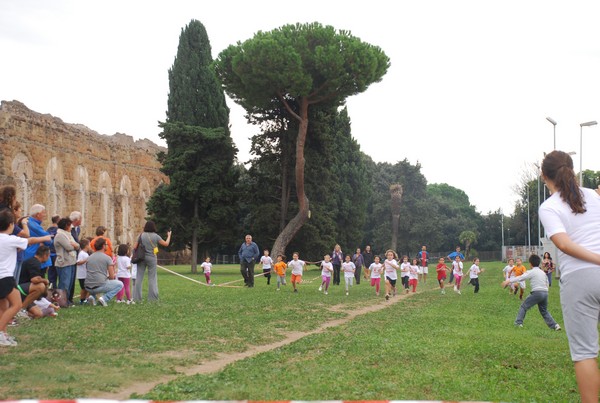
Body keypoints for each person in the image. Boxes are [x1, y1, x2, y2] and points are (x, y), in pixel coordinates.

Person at [538, 150, 600, 402]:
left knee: (585, 353)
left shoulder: (549, 207)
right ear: (572, 170)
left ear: (544, 176)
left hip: (580, 280)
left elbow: (563, 245)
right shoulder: (594, 197)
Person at [0, 209, 51, 346]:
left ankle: (3, 335)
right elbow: (30, 240)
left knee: (4, 307)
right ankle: (0, 333)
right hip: (5, 277)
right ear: (10, 225)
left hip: (2, 276)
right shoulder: (10, 239)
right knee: (16, 305)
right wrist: (45, 238)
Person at [501, 254, 561, 331]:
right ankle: (555, 325)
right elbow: (547, 282)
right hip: (545, 293)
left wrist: (508, 281)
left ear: (530, 264)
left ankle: (518, 323)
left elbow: (521, 277)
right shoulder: (542, 272)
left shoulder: (531, 272)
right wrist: (546, 291)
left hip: (537, 293)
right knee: (544, 311)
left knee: (524, 306)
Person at [133, 221, 171, 302]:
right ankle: (152, 298)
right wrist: (169, 236)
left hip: (141, 258)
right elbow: (166, 244)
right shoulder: (156, 236)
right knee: (152, 278)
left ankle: (137, 298)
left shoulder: (140, 235)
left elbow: (135, 247)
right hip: (152, 258)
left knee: (139, 277)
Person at [85, 238, 123, 306]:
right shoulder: (107, 258)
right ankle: (104, 298)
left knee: (98, 281)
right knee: (120, 284)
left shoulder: (89, 257)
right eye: (106, 244)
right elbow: (112, 276)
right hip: (99, 285)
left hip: (88, 286)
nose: (107, 246)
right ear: (103, 246)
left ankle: (92, 297)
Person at [18, 245, 51, 318]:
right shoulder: (34, 262)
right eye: (49, 256)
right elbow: (35, 279)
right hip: (19, 289)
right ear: (45, 255)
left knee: (38, 314)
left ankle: (22, 313)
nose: (48, 258)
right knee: (40, 286)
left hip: (25, 292)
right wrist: (45, 281)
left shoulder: (34, 261)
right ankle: (21, 310)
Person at [54, 217, 80, 305]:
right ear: (66, 226)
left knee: (69, 284)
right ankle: (61, 301)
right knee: (64, 284)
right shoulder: (60, 235)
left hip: (71, 261)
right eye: (69, 225)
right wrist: (75, 246)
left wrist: (75, 245)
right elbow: (69, 247)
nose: (71, 227)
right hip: (64, 262)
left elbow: (77, 245)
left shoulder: (68, 235)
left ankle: (67, 300)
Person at [23, 204, 52, 272]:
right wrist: (43, 240)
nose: (45, 215)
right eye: (44, 212)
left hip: (30, 255)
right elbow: (49, 240)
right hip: (35, 255)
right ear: (38, 214)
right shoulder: (34, 225)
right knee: (37, 279)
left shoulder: (30, 222)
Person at [46, 214, 60, 288]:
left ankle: (51, 291)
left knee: (51, 275)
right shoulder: (59, 231)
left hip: (49, 254)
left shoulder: (48, 230)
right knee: (60, 275)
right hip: (57, 254)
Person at [76, 238, 91, 305]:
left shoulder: (85, 253)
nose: (90, 246)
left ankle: (85, 299)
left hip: (85, 274)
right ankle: (82, 300)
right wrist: (86, 260)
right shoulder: (82, 253)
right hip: (82, 274)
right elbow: (78, 262)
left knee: (86, 288)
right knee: (84, 288)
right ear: (86, 245)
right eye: (89, 244)